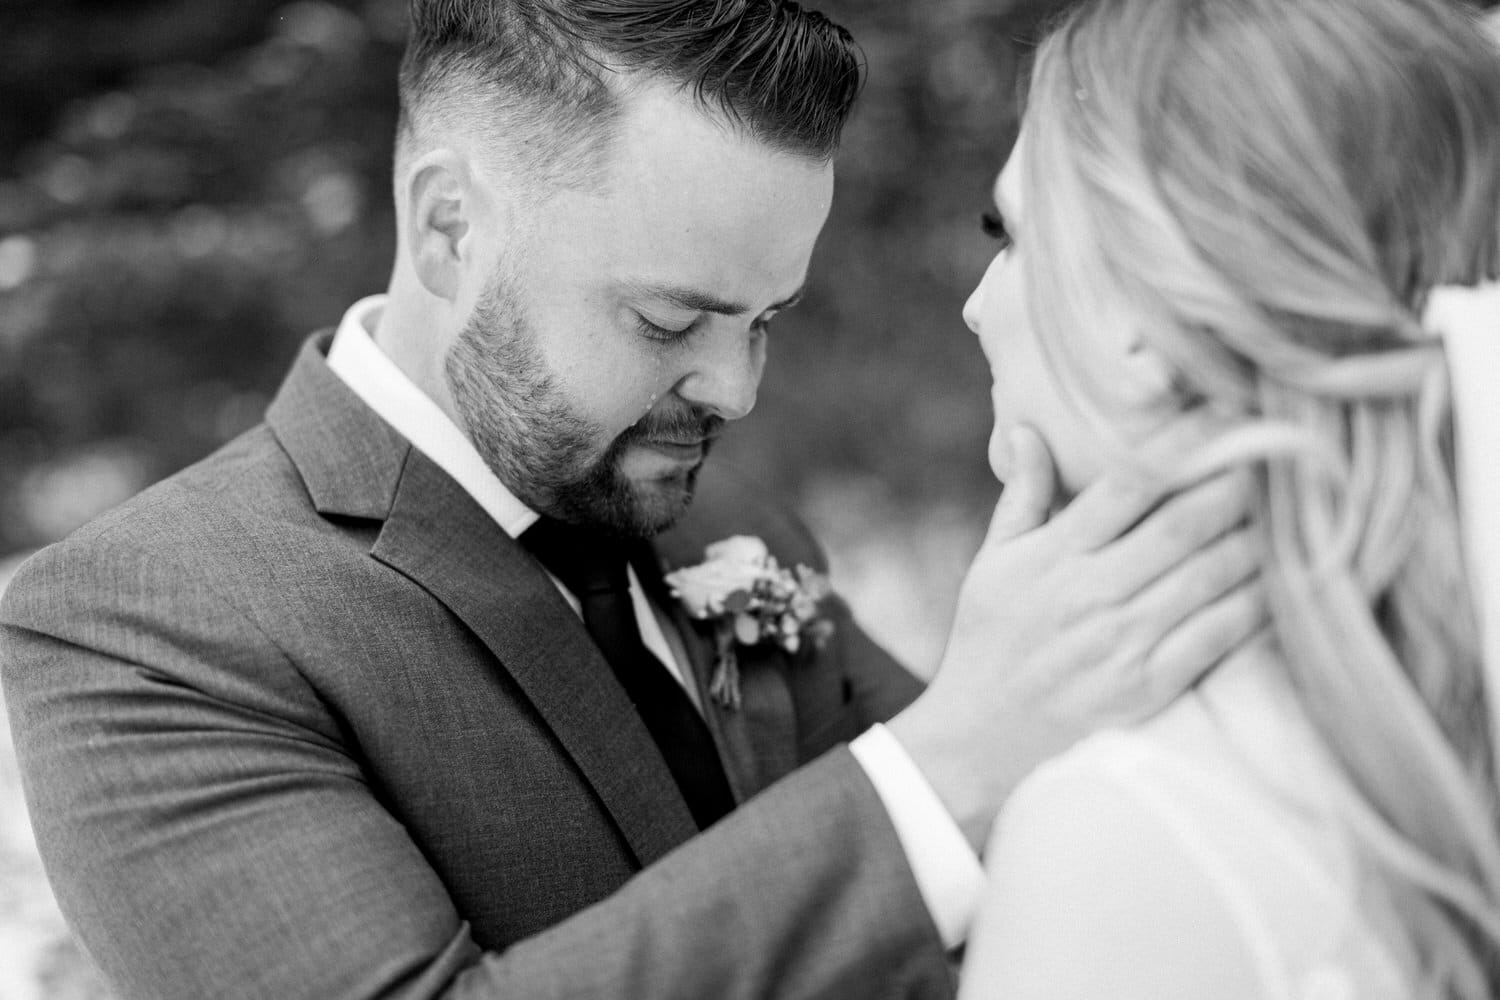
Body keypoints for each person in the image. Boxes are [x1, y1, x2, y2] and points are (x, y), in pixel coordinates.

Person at [0, 3, 1261, 999]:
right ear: (449, 229)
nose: (736, 389)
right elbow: (948, 777)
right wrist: (953, 761)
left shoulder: (723, 517)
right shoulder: (140, 621)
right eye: (671, 319)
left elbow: (1001, 863)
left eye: (768, 320)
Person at [955, 0, 1500, 996]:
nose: (975, 303)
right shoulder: (1441, 721)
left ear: (1146, 322)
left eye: (1013, 232)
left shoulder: (1122, 830)